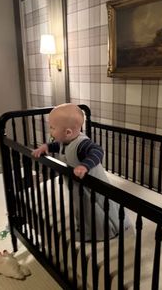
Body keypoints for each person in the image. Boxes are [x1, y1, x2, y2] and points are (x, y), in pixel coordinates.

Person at [32, 103, 130, 241]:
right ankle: (90, 228)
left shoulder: (82, 144)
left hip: (92, 185)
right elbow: (59, 146)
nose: (50, 131)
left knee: (94, 209)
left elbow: (97, 151)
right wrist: (46, 146)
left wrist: (84, 166)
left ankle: (101, 232)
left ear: (68, 132)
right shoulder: (65, 141)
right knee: (82, 208)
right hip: (79, 185)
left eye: (52, 128)